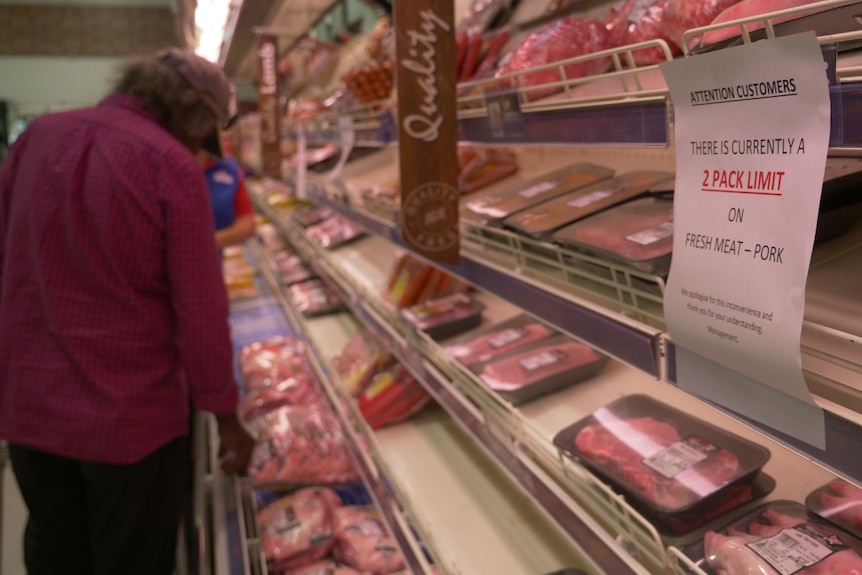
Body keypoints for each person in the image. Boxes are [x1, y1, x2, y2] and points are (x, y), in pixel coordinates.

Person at [0, 48, 256, 575]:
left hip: (31, 411)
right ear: (191, 114)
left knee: (53, 546)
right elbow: (201, 312)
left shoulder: (36, 138)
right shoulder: (170, 164)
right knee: (132, 559)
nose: (199, 149)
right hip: (129, 423)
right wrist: (227, 417)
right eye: (202, 132)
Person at [197, 142, 257, 249]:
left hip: (212, 257)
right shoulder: (169, 163)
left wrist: (204, 243)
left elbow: (247, 222)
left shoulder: (227, 165)